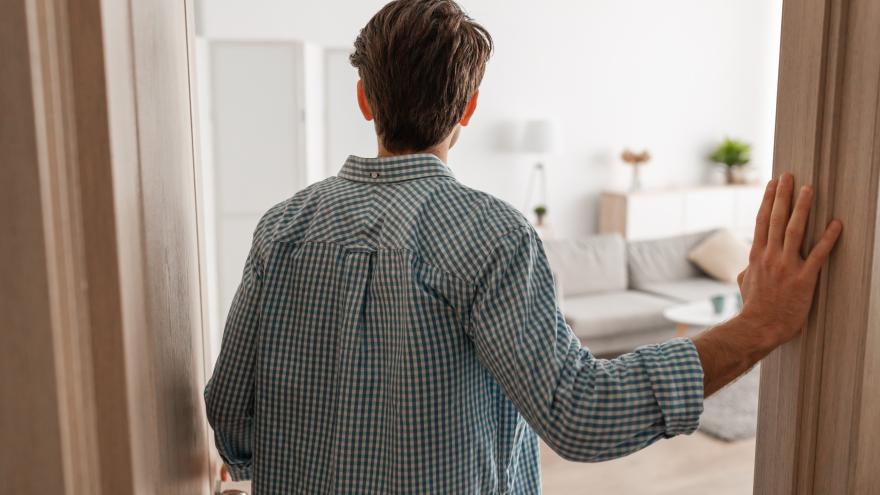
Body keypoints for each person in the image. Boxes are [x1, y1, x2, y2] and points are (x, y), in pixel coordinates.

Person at [204, 1, 843, 493]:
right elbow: (581, 414)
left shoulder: (281, 227)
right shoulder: (492, 235)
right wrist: (760, 324)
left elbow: (230, 410)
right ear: (470, 107)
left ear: (364, 98)